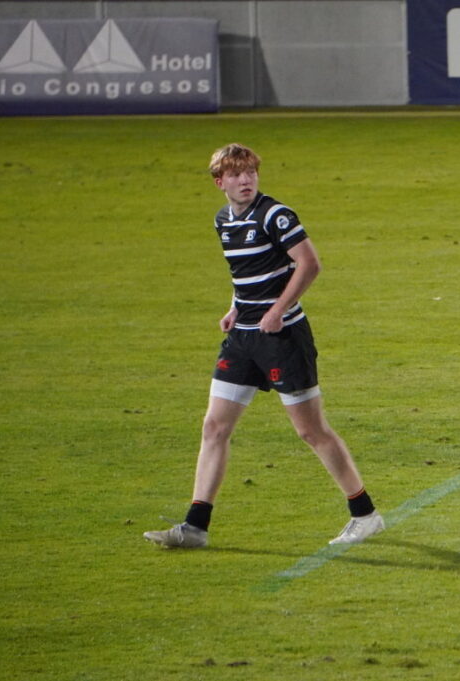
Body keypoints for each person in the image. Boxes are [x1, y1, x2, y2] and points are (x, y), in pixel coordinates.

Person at [144, 143, 383, 549]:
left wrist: (277, 310)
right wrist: (235, 308)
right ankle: (195, 527)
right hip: (243, 339)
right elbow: (245, 273)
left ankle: (365, 515)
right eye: (236, 174)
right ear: (220, 182)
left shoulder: (276, 215)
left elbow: (309, 264)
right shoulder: (223, 220)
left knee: (311, 431)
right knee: (214, 426)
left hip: (283, 337)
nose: (245, 180)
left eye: (251, 172)